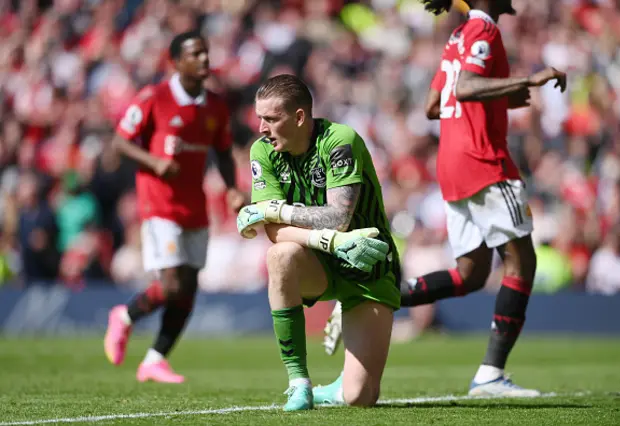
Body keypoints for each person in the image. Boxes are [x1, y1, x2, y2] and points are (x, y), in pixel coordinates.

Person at [323, 0, 567, 397]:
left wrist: (501, 99)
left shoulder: (457, 36)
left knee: (470, 274)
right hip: (483, 161)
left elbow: (434, 105)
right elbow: (467, 87)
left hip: (451, 166)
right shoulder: (483, 31)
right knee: (522, 260)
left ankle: (365, 295)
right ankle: (490, 374)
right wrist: (527, 82)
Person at [236, 74, 400, 411]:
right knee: (279, 256)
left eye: (271, 119)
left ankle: (341, 375)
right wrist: (328, 242)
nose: (262, 128)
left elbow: (338, 215)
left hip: (366, 263)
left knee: (360, 398)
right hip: (318, 261)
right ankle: (299, 382)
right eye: (259, 119)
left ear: (299, 117)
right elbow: (273, 231)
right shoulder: (263, 151)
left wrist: (278, 209)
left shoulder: (340, 140)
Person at [103, 31, 245, 383]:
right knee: (170, 285)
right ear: (176, 61)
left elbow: (224, 152)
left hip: (194, 204)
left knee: (190, 286)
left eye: (206, 53)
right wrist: (154, 162)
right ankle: (124, 316)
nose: (204, 60)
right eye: (195, 54)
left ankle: (154, 359)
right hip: (159, 202)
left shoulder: (215, 105)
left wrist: (231, 189)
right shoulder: (155, 97)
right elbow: (119, 142)